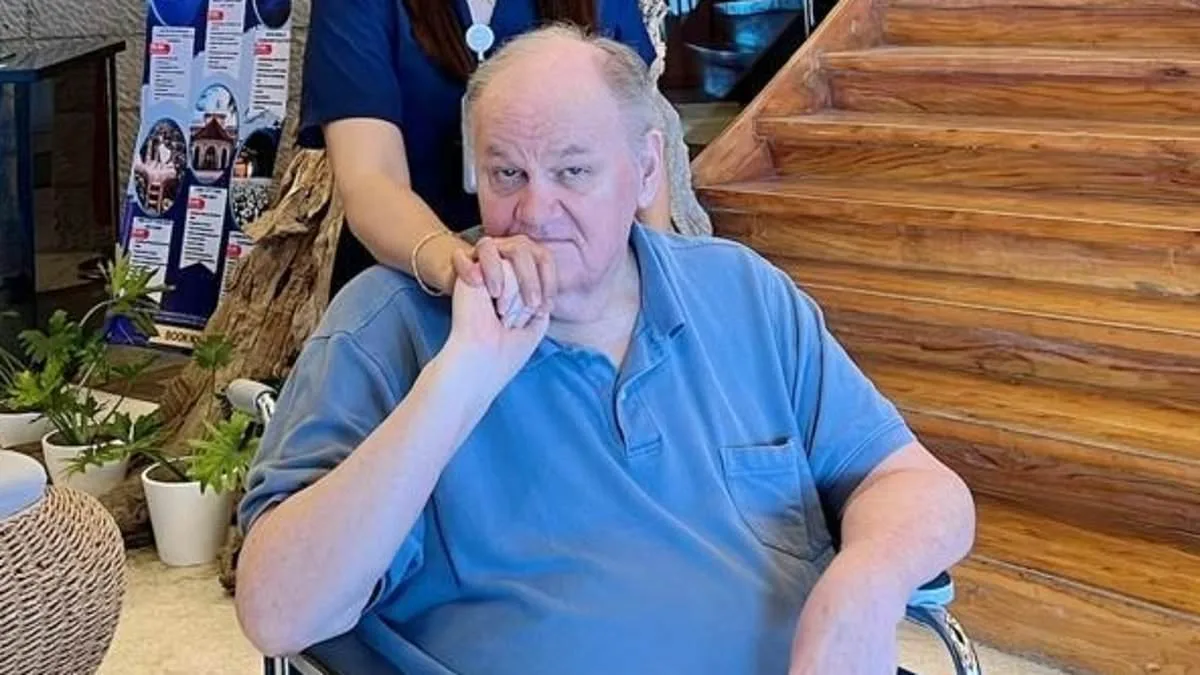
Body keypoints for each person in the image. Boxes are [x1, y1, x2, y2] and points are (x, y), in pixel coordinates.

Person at [236, 26, 977, 675]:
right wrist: (461, 378)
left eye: (573, 171)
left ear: (647, 170)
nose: (535, 210)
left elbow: (918, 485)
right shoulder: (387, 325)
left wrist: (864, 584)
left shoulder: (740, 293)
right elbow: (277, 614)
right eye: (507, 173)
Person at [303, 0, 674, 315]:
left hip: (586, 290)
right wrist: (471, 273)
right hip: (416, 276)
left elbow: (634, 140)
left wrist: (662, 280)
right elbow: (370, 178)